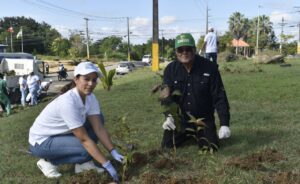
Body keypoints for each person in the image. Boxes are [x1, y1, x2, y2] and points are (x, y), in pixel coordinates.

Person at [28, 62, 123, 182]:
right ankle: (48, 162)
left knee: (99, 118)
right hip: (41, 142)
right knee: (85, 149)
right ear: (76, 79)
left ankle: (82, 164)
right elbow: (84, 140)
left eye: (94, 80)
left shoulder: (90, 97)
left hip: (59, 134)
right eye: (86, 79)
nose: (91, 84)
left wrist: (113, 151)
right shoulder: (68, 102)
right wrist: (107, 165)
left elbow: (98, 127)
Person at [161, 33, 230, 151]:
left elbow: (219, 95)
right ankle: (188, 135)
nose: (184, 52)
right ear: (176, 52)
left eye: (188, 49)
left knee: (210, 148)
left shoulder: (210, 67)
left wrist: (224, 124)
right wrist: (169, 116)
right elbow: (166, 96)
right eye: (180, 49)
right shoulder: (170, 69)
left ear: (194, 49)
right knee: (166, 146)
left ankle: (201, 134)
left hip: (203, 120)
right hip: (181, 120)